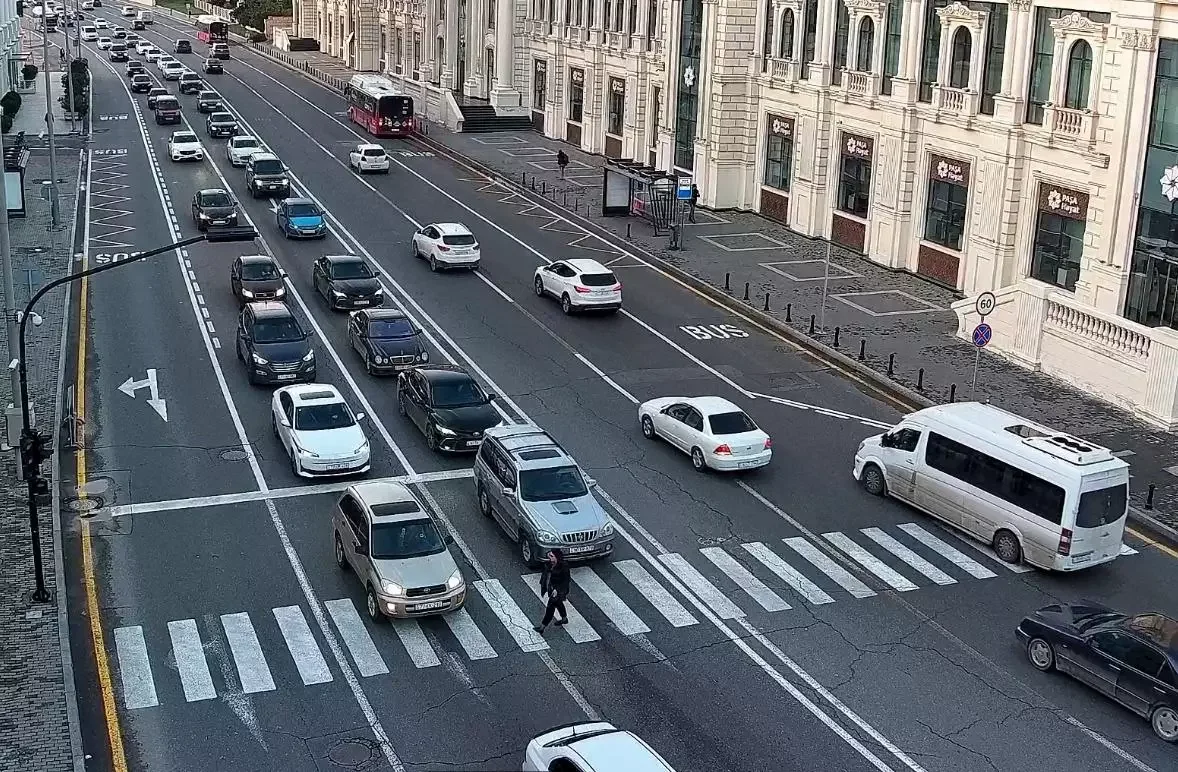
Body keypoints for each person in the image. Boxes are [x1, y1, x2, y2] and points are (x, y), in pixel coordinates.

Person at [533, 548, 570, 634]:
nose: (550, 558)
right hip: (551, 589)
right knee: (559, 603)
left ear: (557, 557)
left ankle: (542, 627)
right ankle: (564, 619)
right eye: (549, 556)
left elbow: (566, 581)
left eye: (552, 556)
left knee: (550, 608)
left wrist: (557, 590)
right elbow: (546, 575)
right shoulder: (549, 564)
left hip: (558, 591)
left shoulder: (564, 567)